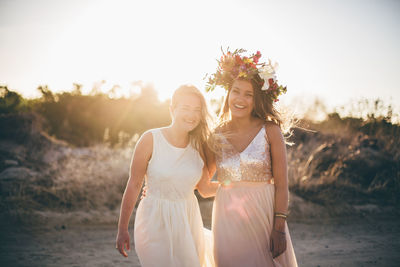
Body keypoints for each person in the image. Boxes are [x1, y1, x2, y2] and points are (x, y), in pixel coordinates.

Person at [204, 49, 298, 267]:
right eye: (236, 91)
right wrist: (159, 184)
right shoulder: (216, 135)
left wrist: (279, 228)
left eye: (249, 95)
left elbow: (282, 186)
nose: (240, 99)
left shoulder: (271, 131)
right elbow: (201, 182)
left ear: (258, 100)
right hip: (227, 218)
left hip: (263, 216)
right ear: (228, 93)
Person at [115, 85, 218, 267]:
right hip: (154, 218)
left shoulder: (200, 146)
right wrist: (122, 228)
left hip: (188, 220)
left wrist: (240, 186)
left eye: (197, 110)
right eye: (185, 108)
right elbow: (134, 184)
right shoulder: (150, 139)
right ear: (172, 109)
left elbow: (204, 189)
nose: (191, 115)